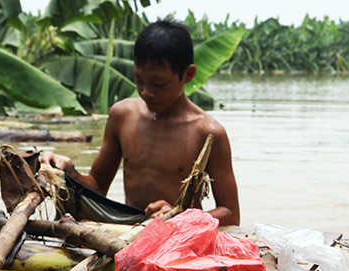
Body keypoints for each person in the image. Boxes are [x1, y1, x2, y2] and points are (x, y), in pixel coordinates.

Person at [41, 19, 240, 226]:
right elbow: (98, 187)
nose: (146, 92)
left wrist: (179, 215)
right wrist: (69, 172)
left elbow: (231, 214)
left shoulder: (208, 133)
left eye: (159, 84)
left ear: (188, 75)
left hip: (178, 238)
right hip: (129, 230)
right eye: (139, 81)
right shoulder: (122, 115)